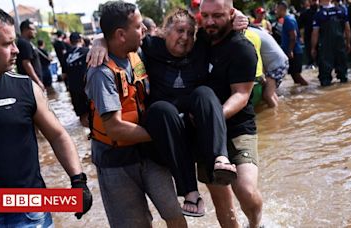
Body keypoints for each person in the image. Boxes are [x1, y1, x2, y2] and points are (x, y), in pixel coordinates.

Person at [87, 7, 243, 217]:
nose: (185, 38)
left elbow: (221, 24)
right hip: (164, 130)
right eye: (179, 31)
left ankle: (221, 159)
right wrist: (100, 40)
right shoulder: (149, 47)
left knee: (205, 93)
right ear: (163, 32)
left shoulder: (201, 45)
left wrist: (240, 18)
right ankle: (190, 192)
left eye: (190, 33)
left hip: (197, 128)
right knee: (161, 109)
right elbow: (117, 36)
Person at [84, 2, 186, 227]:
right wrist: (165, 132)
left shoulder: (136, 52)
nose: (146, 31)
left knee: (175, 215)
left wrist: (100, 39)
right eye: (139, 26)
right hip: (116, 162)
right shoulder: (101, 72)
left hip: (148, 153)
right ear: (121, 35)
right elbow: (115, 128)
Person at [0, 6, 92, 227]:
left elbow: (57, 135)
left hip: (26, 209)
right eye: (7, 44)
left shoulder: (26, 88)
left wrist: (78, 182)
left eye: (14, 41)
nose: (16, 50)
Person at [197, 0, 263, 227]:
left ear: (232, 14)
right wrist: (100, 40)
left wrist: (211, 120)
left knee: (245, 190)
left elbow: (241, 95)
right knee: (223, 205)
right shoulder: (199, 39)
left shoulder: (242, 48)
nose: (209, 22)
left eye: (217, 16)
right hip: (204, 133)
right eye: (204, 16)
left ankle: (256, 222)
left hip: (238, 127)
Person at [311, 0, 351, 86]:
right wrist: (348, 43)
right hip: (340, 45)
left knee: (325, 78)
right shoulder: (341, 11)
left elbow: (315, 33)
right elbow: (347, 29)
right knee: (343, 75)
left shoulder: (319, 14)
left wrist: (313, 48)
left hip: (325, 48)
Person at [249, 25, 289, 107]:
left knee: (267, 95)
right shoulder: (257, 29)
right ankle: (278, 111)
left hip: (276, 64)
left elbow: (257, 57)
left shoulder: (248, 34)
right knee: (270, 93)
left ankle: (276, 116)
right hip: (281, 61)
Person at [276, 1, 309, 86]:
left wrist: (290, 50)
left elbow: (293, 36)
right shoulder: (289, 18)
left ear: (282, 9)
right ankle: (300, 94)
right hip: (294, 51)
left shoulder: (288, 20)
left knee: (296, 75)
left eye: (277, 9)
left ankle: (308, 89)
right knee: (294, 75)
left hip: (294, 51)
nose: (276, 11)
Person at [64, 32, 89, 127]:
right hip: (87, 87)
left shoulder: (66, 55)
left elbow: (64, 75)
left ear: (70, 42)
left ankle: (89, 137)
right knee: (95, 114)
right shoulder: (87, 51)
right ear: (81, 40)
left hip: (74, 89)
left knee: (82, 116)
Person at [16, 19, 45, 90]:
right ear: (26, 30)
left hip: (32, 82)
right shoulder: (24, 43)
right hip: (31, 83)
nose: (35, 32)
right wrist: (37, 81)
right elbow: (26, 63)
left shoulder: (27, 43)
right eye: (33, 29)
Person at [299, 0, 319, 68]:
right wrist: (301, 37)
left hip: (320, 37)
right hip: (308, 37)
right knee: (310, 54)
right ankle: (311, 63)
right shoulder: (305, 13)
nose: (315, 3)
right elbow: (301, 27)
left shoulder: (321, 12)